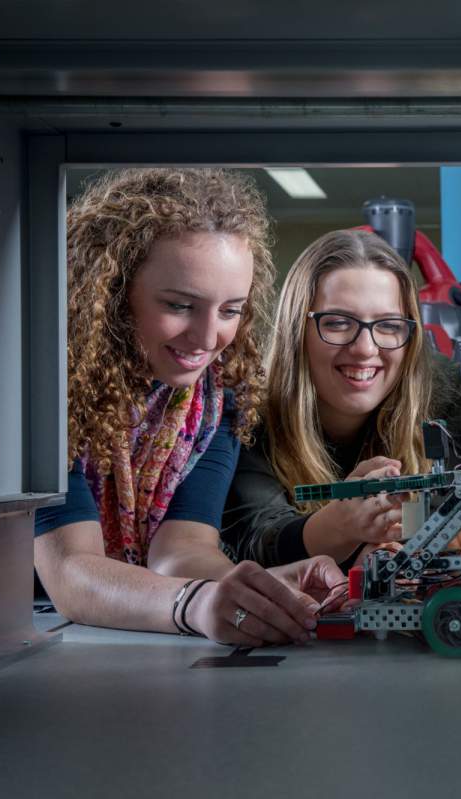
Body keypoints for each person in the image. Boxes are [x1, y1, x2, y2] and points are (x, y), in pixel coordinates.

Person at [34, 168, 347, 648]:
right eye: (180, 305)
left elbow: (182, 549)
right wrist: (194, 603)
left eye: (230, 311)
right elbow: (71, 573)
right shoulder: (43, 390)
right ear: (112, 294)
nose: (207, 340)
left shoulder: (217, 401)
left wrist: (259, 590)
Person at [222, 228, 461, 569]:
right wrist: (344, 526)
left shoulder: (440, 389)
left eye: (388, 325)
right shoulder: (246, 409)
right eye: (337, 323)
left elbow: (459, 514)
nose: (365, 349)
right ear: (297, 330)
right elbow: (256, 539)